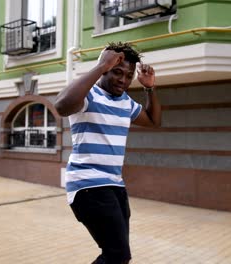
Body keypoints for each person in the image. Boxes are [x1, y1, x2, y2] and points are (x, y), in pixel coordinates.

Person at [54, 42, 161, 264]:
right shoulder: (89, 96)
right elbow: (62, 106)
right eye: (117, 71)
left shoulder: (125, 103)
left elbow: (153, 121)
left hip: (115, 186)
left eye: (128, 75)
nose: (123, 79)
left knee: (118, 256)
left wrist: (149, 88)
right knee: (118, 255)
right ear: (105, 68)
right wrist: (101, 65)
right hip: (88, 185)